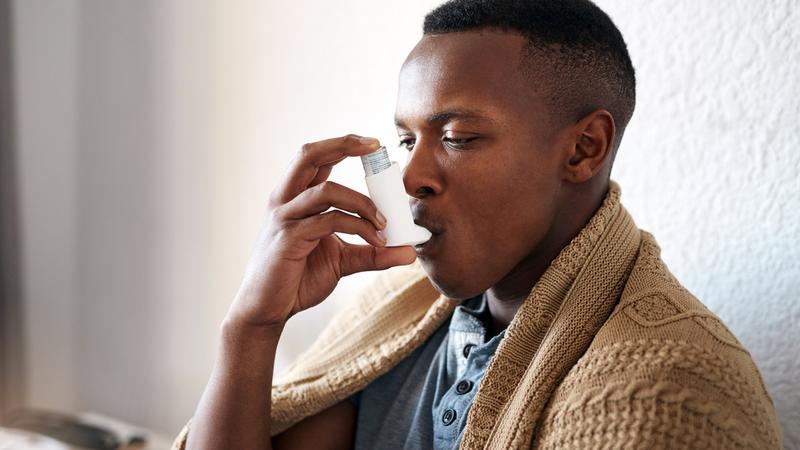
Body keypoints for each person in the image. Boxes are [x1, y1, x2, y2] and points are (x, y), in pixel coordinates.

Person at [174, 0, 782, 448]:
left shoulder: (663, 392)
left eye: (459, 138)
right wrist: (251, 329)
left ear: (584, 149)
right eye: (405, 139)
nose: (409, 177)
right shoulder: (397, 316)